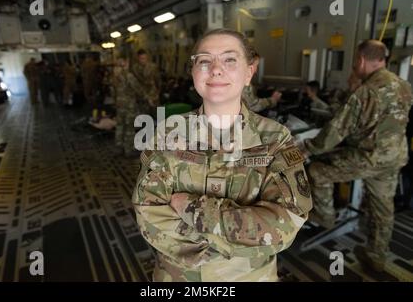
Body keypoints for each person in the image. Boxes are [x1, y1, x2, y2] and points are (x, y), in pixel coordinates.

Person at [132, 28, 312, 282]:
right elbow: (147, 211)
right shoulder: (167, 133)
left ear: (249, 72)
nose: (216, 69)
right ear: (194, 72)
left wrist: (191, 206)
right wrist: (235, 241)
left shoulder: (274, 139)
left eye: (229, 59)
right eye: (204, 60)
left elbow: (285, 224)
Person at [299, 40, 413, 272]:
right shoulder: (404, 85)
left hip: (368, 158)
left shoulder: (365, 92)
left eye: (354, 62)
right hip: (394, 157)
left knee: (316, 171)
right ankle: (377, 257)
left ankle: (325, 217)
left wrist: (307, 148)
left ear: (361, 60)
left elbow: (336, 130)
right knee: (383, 208)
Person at [112, 56, 144, 157]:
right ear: (125, 63)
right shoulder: (128, 76)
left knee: (120, 126)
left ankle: (118, 147)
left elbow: (113, 91)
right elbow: (138, 89)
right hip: (129, 105)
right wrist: (145, 96)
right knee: (129, 127)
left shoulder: (114, 76)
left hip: (119, 105)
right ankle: (128, 150)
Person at [132, 49, 161, 116]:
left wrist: (157, 93)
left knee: (159, 116)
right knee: (143, 118)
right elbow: (135, 84)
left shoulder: (153, 67)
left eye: (145, 58)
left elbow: (158, 81)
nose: (143, 60)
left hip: (153, 95)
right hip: (141, 97)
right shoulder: (135, 68)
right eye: (141, 58)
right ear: (138, 58)